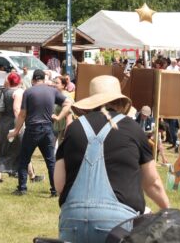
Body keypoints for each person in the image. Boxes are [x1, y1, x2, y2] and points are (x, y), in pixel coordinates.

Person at [55, 75, 170, 242]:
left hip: (72, 220)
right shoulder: (133, 128)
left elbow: (59, 184)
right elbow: (152, 183)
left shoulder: (74, 129)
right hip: (117, 223)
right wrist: (167, 210)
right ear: (120, 103)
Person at [9, 69, 72, 196]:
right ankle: (55, 190)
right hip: (48, 129)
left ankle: (22, 188)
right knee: (50, 161)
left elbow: (22, 114)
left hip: (32, 128)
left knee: (24, 159)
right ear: (44, 79)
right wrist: (59, 117)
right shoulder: (53, 91)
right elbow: (68, 103)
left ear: (33, 80)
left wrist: (16, 130)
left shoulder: (28, 92)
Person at [0, 72, 23, 183]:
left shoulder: (3, 91)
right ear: (19, 81)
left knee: (1, 149)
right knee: (19, 148)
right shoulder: (18, 92)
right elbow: (16, 109)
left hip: (1, 123)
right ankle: (18, 172)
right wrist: (20, 123)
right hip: (12, 123)